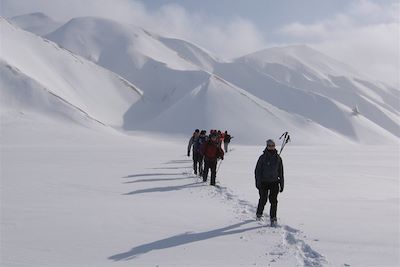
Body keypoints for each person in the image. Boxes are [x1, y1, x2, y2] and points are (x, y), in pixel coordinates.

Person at [254, 139, 284, 226]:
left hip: (274, 182)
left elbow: (281, 172)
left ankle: (273, 217)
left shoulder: (278, 158)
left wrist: (281, 184)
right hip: (264, 182)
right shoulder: (262, 158)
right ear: (267, 146)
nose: (271, 147)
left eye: (273, 145)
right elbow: (257, 171)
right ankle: (259, 214)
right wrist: (258, 182)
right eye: (269, 145)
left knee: (274, 201)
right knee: (263, 199)